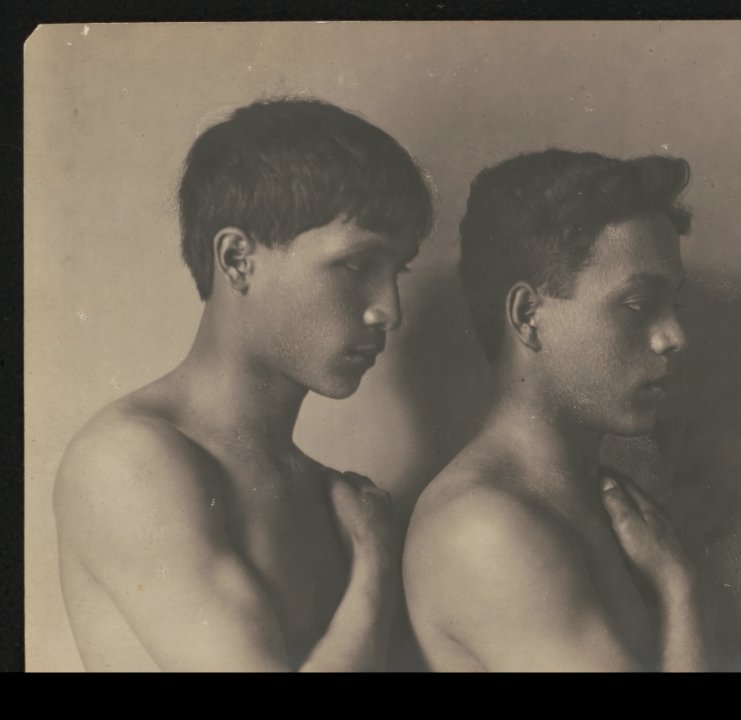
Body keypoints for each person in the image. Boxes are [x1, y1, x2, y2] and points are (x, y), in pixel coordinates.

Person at [53, 98, 434, 672]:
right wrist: (375, 570)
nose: (389, 311)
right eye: (357, 266)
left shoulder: (325, 489)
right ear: (237, 260)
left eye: (396, 273)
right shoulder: (128, 459)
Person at [403, 149, 705, 671]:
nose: (673, 337)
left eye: (674, 305)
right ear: (528, 316)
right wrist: (681, 593)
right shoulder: (484, 528)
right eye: (637, 305)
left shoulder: (590, 496)